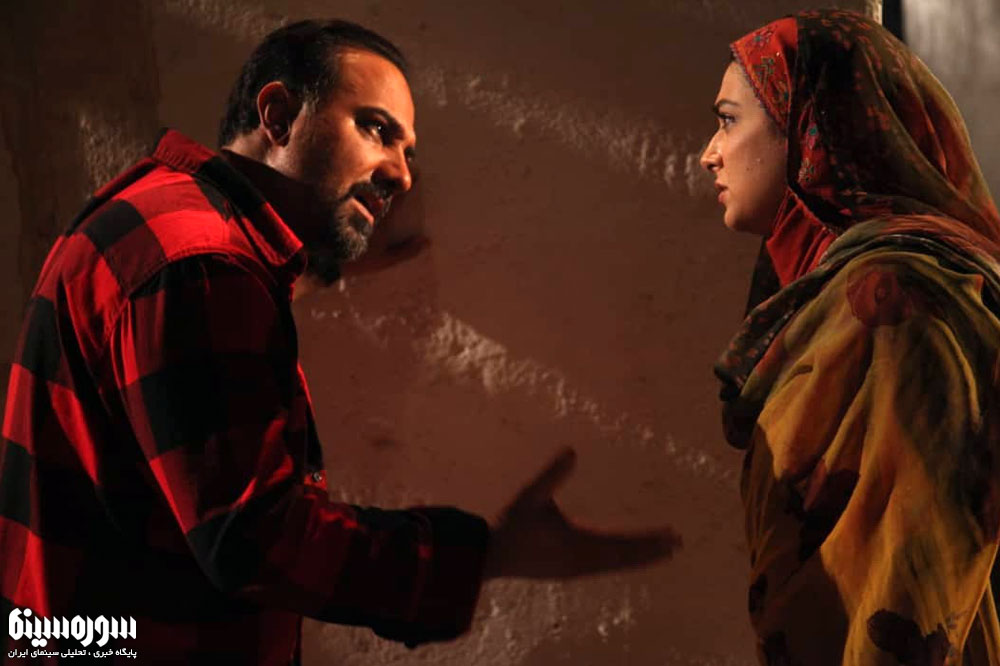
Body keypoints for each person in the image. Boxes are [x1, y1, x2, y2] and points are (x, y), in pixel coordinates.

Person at [0, 19, 679, 664]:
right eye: (377, 129)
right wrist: (487, 554)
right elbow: (255, 540)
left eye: (408, 152)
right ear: (277, 116)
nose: (401, 174)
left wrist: (321, 264)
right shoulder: (203, 266)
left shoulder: (164, 215)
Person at [700, 8, 1000, 665]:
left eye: (728, 120)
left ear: (812, 125)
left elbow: (906, 588)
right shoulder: (832, 297)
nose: (709, 153)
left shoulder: (895, 302)